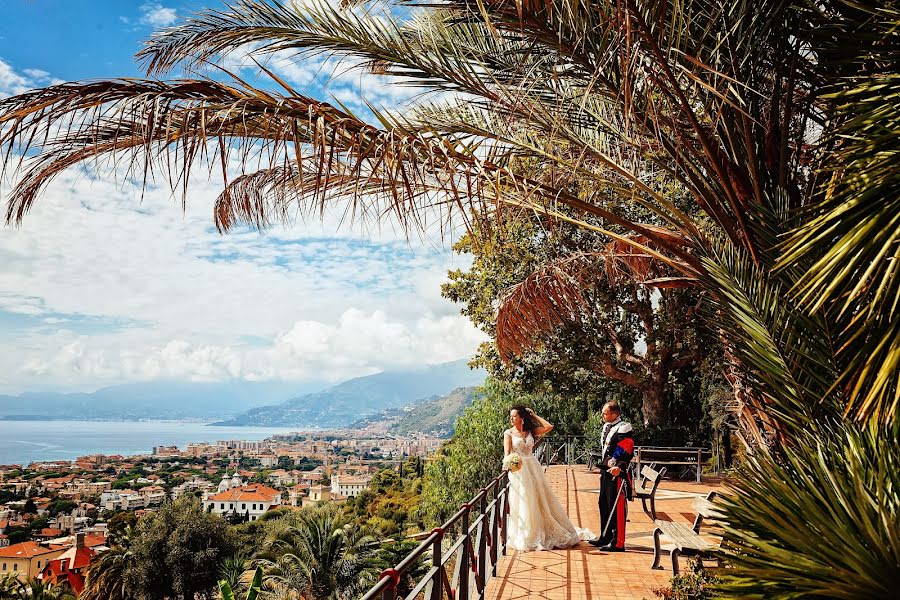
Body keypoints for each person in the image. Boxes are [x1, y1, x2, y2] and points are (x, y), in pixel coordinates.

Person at [503, 405, 593, 551]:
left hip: (534, 467)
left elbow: (549, 426)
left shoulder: (530, 431)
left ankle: (544, 529)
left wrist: (534, 415)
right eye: (511, 416)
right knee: (526, 499)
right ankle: (527, 533)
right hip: (520, 471)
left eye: (514, 416)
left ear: (522, 418)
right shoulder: (508, 433)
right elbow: (507, 452)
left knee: (540, 497)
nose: (511, 418)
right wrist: (508, 464)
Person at [589, 401, 634, 551]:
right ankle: (605, 536)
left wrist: (618, 468)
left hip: (617, 473)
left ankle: (617, 542)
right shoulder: (607, 426)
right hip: (606, 471)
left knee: (616, 507)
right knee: (604, 503)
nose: (602, 415)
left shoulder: (624, 428)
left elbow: (626, 451)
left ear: (615, 415)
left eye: (605, 413)